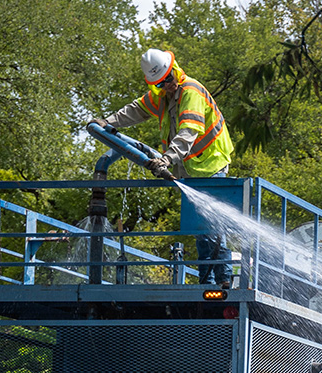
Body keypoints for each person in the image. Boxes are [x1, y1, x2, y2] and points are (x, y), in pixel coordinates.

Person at [92, 48, 235, 286]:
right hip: (191, 168)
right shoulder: (161, 96)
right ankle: (207, 282)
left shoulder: (191, 91)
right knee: (202, 229)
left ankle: (222, 281)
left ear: (174, 70)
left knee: (211, 228)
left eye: (169, 78)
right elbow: (136, 110)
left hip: (211, 163)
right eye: (161, 82)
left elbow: (188, 132)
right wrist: (108, 122)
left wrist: (166, 159)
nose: (167, 84)